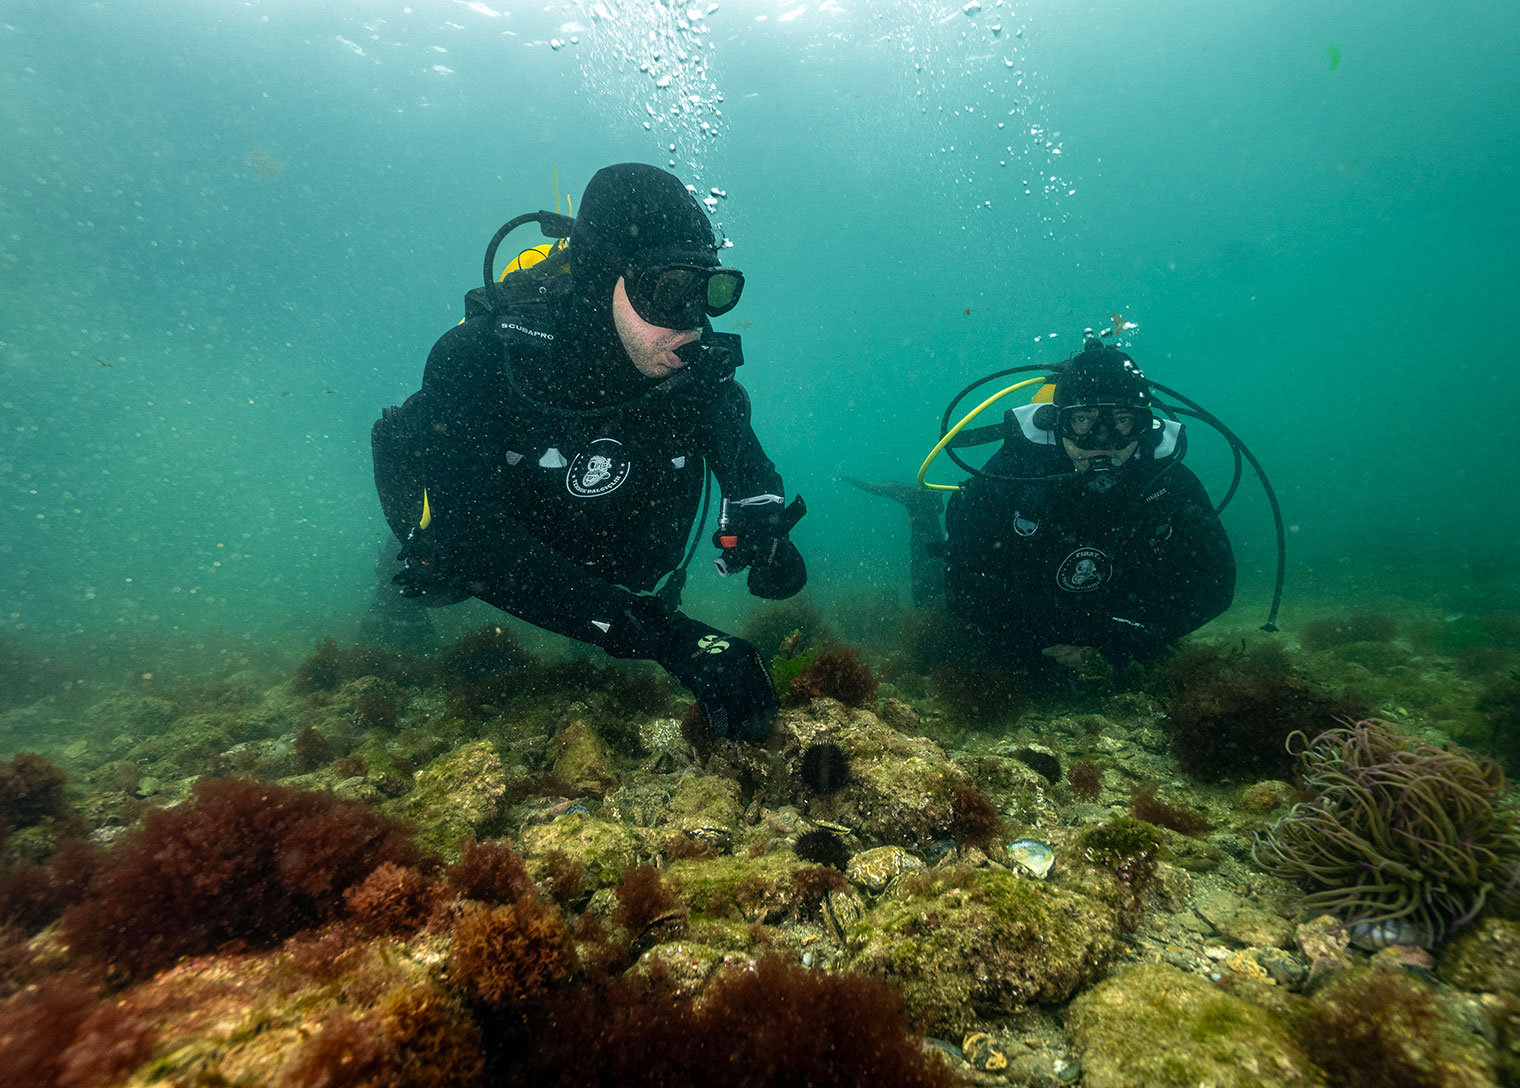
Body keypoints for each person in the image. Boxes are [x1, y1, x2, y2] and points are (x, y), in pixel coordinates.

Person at [367, 163, 806, 741]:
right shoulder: (478, 359)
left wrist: (767, 538)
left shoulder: (689, 367)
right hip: (507, 544)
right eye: (669, 291)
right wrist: (667, 637)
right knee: (436, 568)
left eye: (709, 293)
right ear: (603, 278)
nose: (694, 324)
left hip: (615, 558)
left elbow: (752, 478)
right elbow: (471, 541)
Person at [850, 338, 1235, 676]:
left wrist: (1120, 643)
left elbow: (1215, 585)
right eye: (1082, 419)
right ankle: (921, 509)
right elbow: (963, 587)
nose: (1102, 441)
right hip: (1021, 612)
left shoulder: (1167, 481)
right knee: (931, 609)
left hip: (1113, 611)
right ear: (1058, 422)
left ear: (1145, 425)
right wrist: (1036, 646)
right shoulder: (1016, 471)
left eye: (1122, 420)